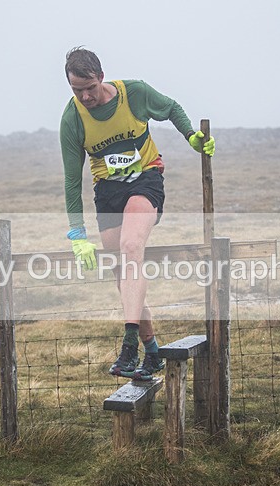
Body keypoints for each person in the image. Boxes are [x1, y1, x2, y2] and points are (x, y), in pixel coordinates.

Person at [60, 47, 214, 381]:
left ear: (101, 76)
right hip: (108, 192)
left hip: (146, 178)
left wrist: (191, 136)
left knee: (131, 248)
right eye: (76, 90)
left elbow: (170, 107)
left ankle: (129, 347)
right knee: (122, 268)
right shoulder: (72, 119)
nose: (85, 95)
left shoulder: (134, 94)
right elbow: (72, 181)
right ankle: (153, 350)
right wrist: (77, 236)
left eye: (89, 87)